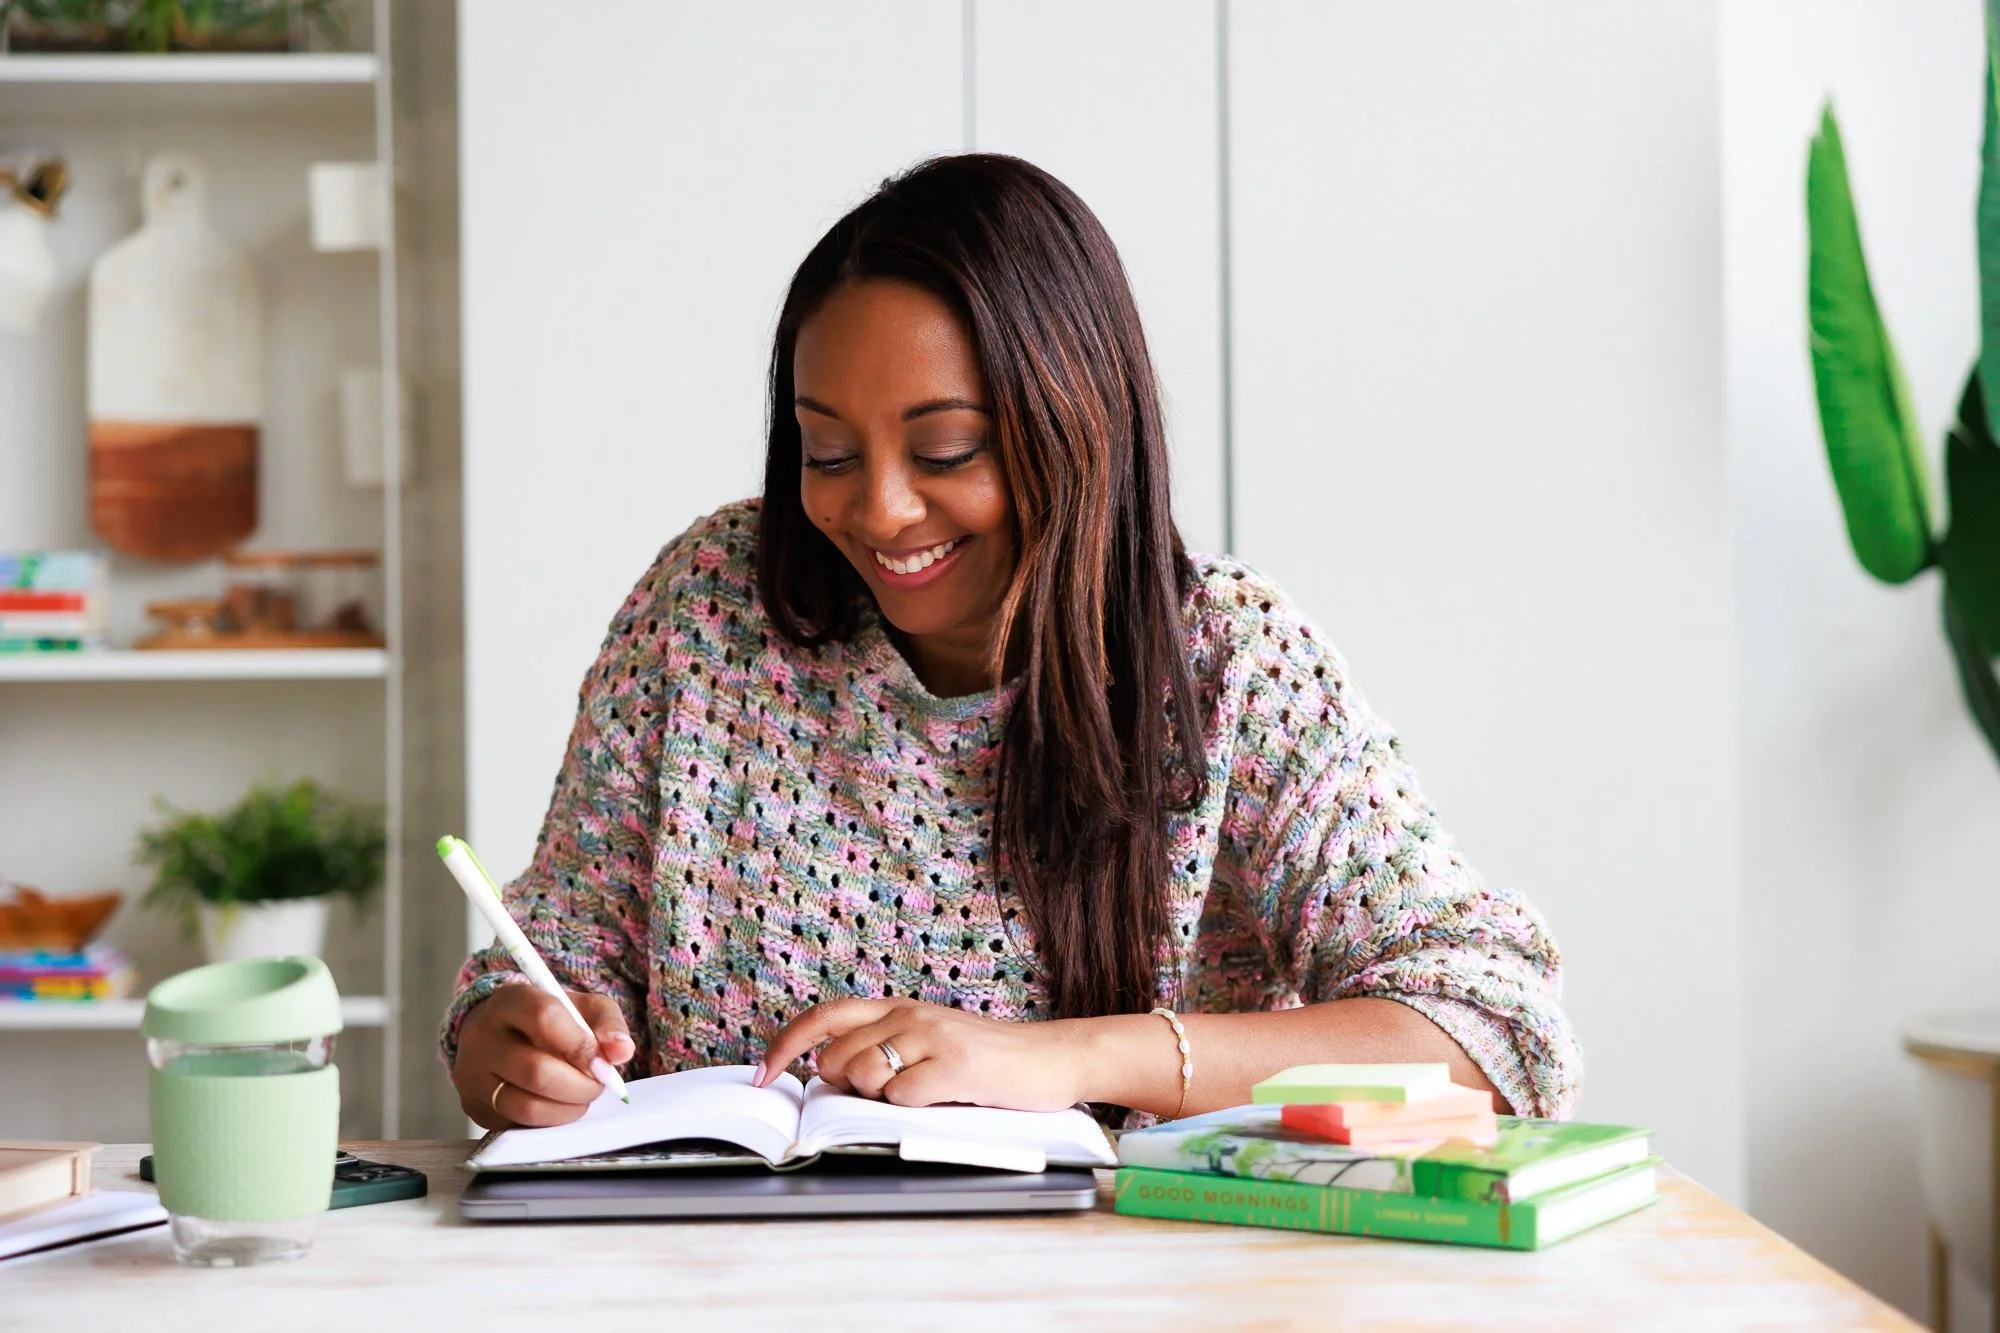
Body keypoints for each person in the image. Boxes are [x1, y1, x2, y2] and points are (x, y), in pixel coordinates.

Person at [442, 154, 1580, 1131]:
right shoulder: (706, 608)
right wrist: (509, 1042)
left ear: (1074, 429)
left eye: (943, 453)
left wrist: (1068, 1056)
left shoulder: (1228, 667)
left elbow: (1493, 1033)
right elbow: (552, 945)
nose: (878, 511)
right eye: (827, 453)